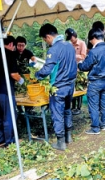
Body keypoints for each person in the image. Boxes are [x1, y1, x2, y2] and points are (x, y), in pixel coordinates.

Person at [35, 23, 77, 151]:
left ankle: (60, 142)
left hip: (59, 87)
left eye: (44, 39)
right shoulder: (69, 45)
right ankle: (68, 137)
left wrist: (37, 75)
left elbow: (47, 69)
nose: (46, 42)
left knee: (57, 113)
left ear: (48, 37)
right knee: (67, 110)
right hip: (70, 85)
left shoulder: (53, 49)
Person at [78, 28, 105, 134]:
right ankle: (104, 124)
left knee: (93, 105)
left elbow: (85, 66)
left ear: (93, 38)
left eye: (90, 41)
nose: (90, 43)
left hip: (94, 81)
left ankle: (95, 128)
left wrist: (79, 64)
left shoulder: (94, 51)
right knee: (103, 103)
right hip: (104, 81)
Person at [0, 35, 24, 147]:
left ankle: (0, 140)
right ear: (11, 44)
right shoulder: (8, 54)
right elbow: (13, 74)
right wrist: (22, 81)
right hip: (5, 90)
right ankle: (10, 141)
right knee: (9, 116)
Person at [65, 28, 87, 115]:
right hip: (71, 70)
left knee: (79, 89)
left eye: (71, 38)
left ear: (74, 36)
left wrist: (74, 55)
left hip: (79, 69)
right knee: (72, 89)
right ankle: (73, 107)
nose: (71, 39)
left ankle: (78, 107)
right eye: (69, 38)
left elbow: (83, 56)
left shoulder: (82, 43)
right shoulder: (69, 45)